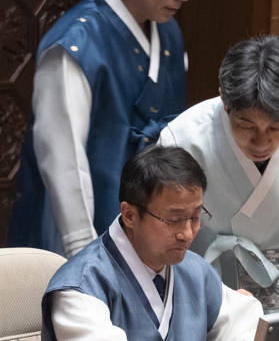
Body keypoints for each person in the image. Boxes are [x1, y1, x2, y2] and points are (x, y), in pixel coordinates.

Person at [9, 0, 208, 258]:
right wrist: (85, 256)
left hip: (153, 230)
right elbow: (64, 166)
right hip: (85, 233)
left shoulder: (169, 33)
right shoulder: (75, 44)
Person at [159, 35, 279, 312]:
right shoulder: (183, 139)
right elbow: (165, 240)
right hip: (210, 296)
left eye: (277, 127)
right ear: (224, 100)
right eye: (246, 125)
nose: (261, 143)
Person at [41, 144, 263, 340]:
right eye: (174, 220)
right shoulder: (82, 287)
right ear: (129, 215)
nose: (187, 234)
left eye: (195, 217)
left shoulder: (196, 271)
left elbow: (247, 325)